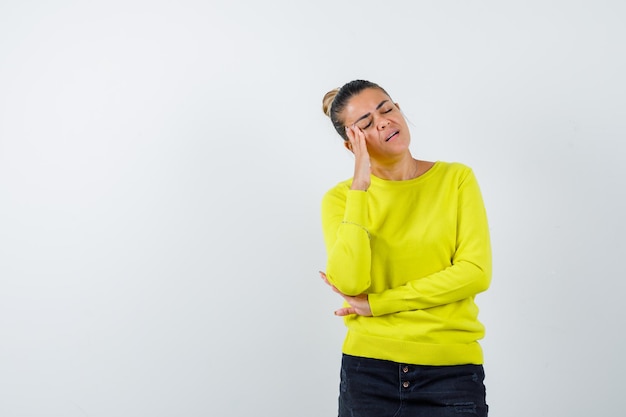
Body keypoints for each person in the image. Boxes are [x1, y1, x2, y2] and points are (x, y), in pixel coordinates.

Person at [319, 79, 492, 417]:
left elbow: (475, 273)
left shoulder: (456, 180)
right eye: (366, 123)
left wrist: (379, 304)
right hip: (368, 373)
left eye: (386, 108)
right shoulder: (341, 199)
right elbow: (351, 284)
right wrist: (360, 187)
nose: (383, 121)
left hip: (451, 373)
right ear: (352, 146)